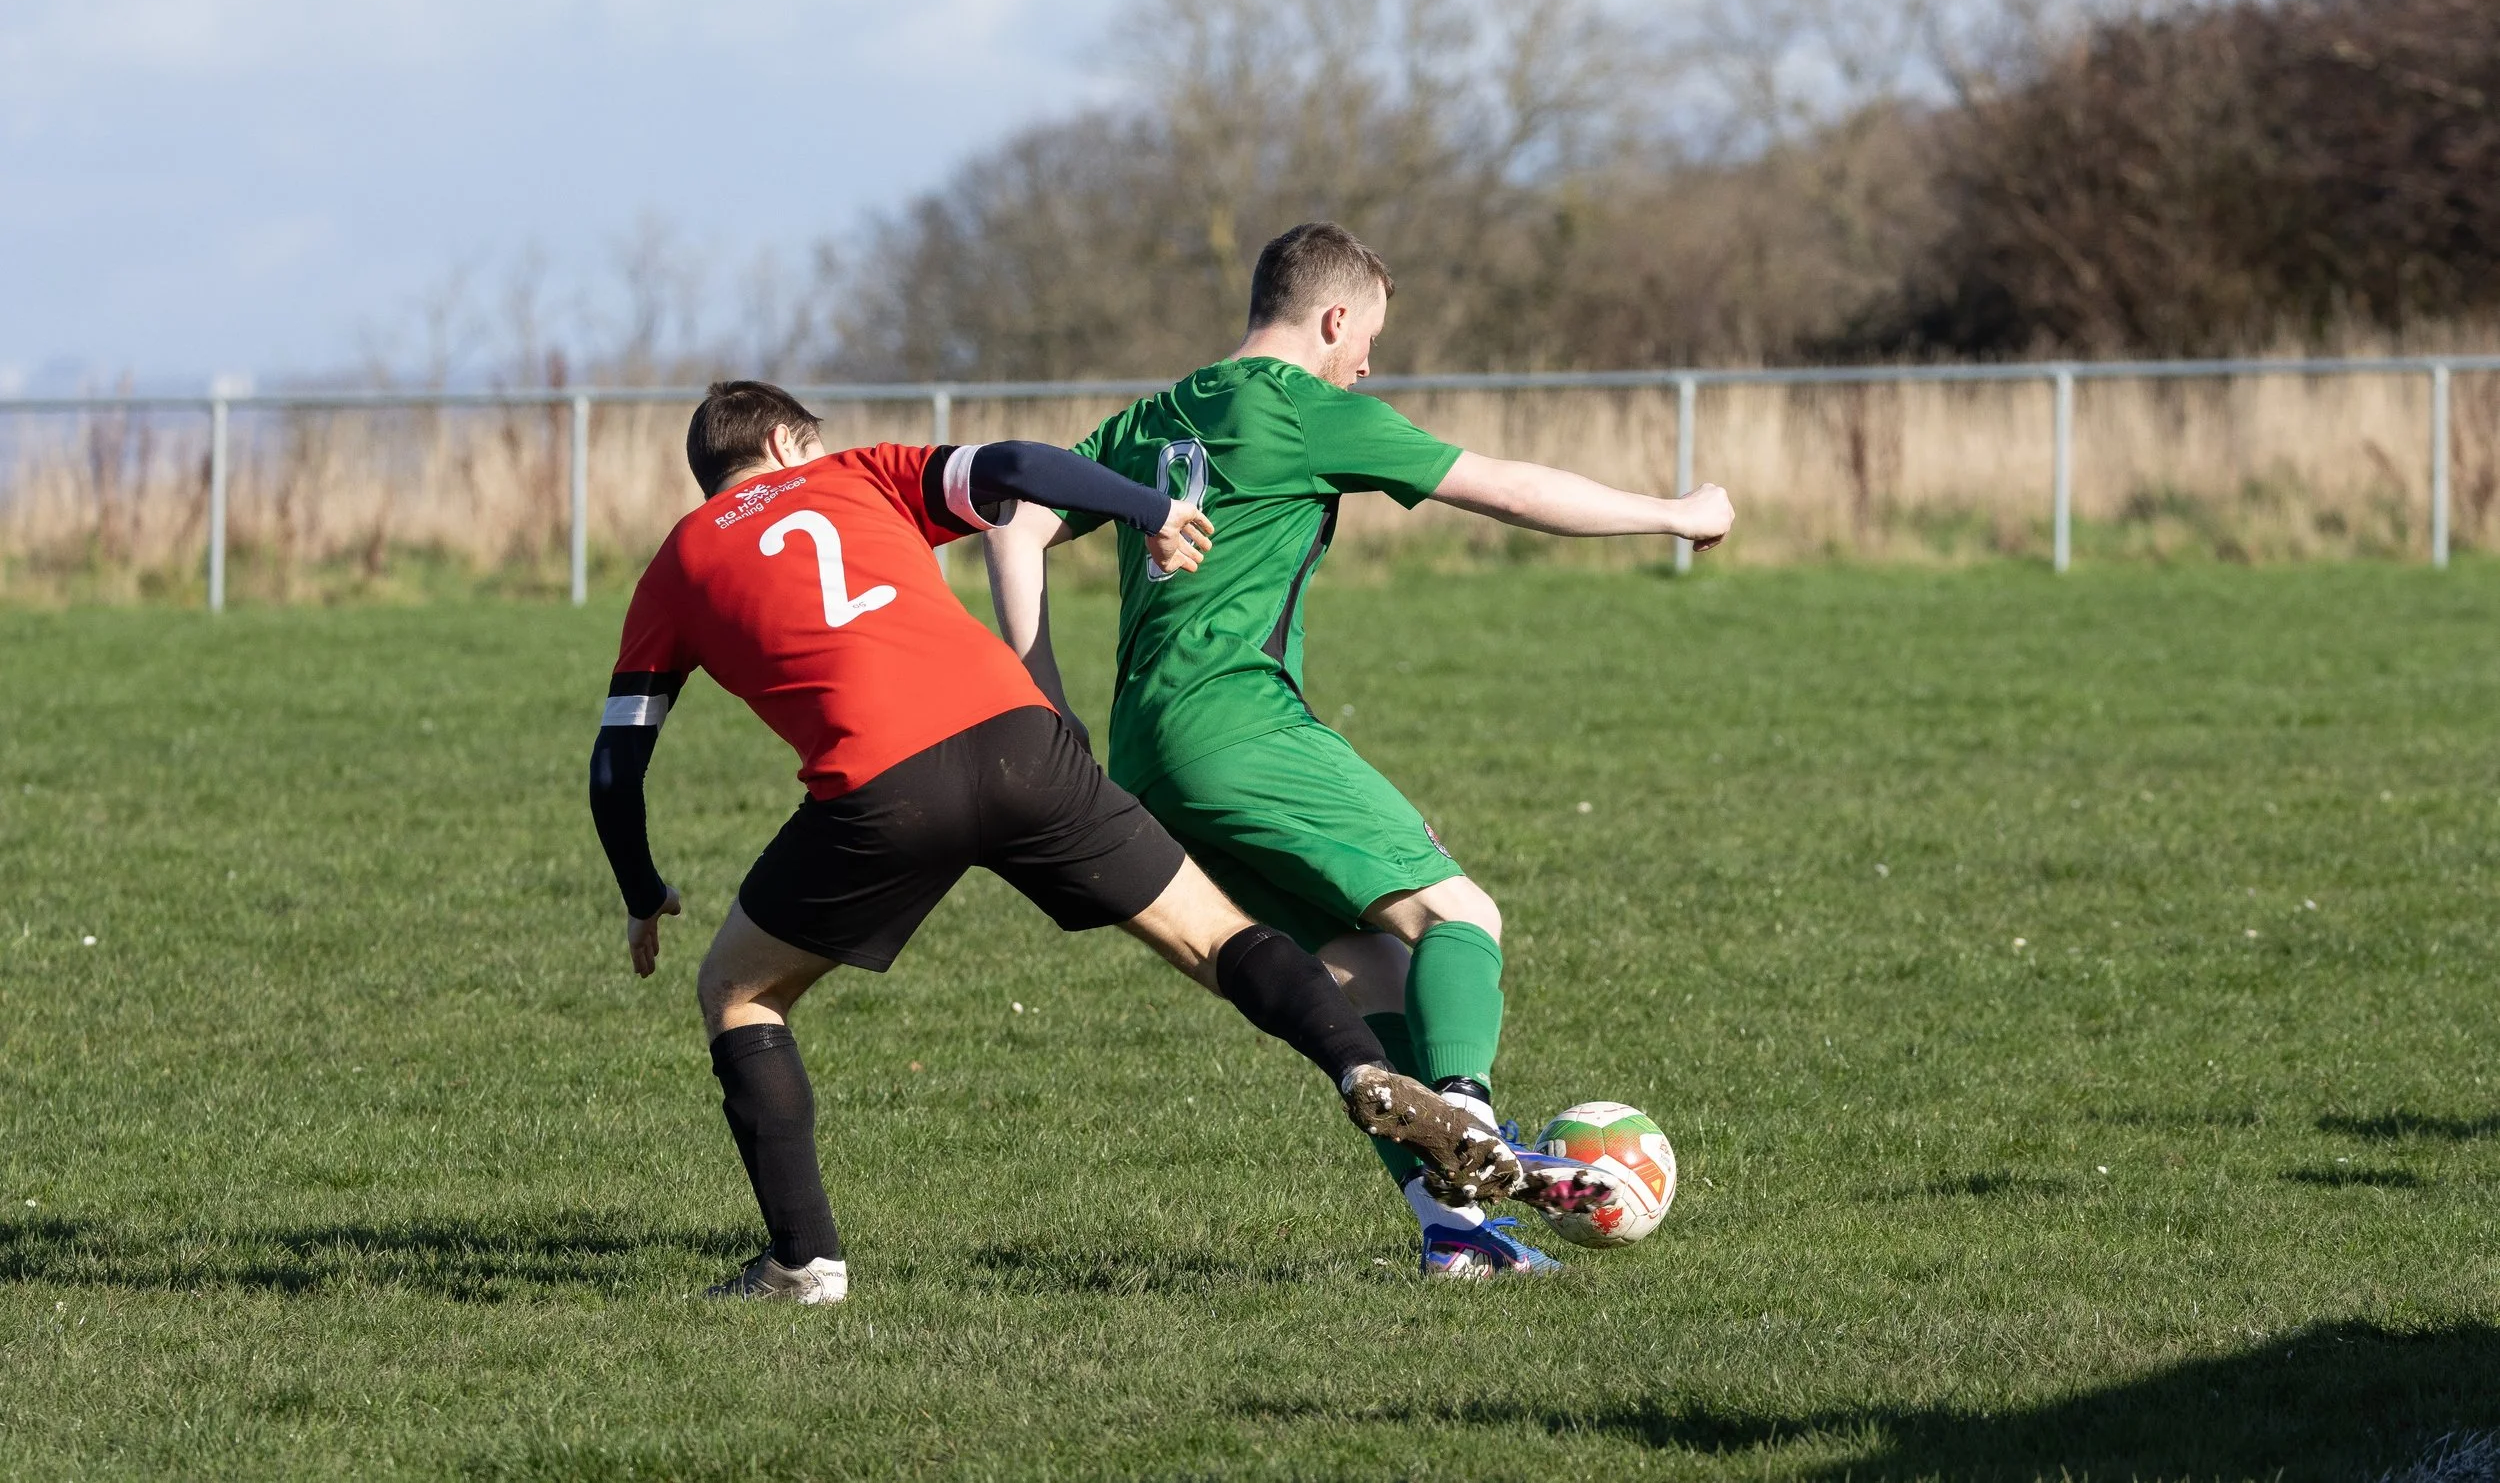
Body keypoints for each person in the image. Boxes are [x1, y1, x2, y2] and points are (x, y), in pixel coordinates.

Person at [588, 379, 1518, 1304]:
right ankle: (1362, 1067)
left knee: (739, 992)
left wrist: (641, 890)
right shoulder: (858, 474)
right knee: (1216, 936)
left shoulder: (677, 562)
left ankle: (802, 1265)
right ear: (792, 442)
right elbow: (1023, 467)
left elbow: (616, 764)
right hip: (1022, 740)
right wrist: (1151, 506)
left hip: (883, 791)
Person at [984, 223, 1735, 1278]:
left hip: (1148, 759)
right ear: (1333, 318)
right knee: (1461, 915)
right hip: (1240, 725)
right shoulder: (1304, 410)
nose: (1367, 365)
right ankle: (1469, 1126)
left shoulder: (1158, 415)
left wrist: (1043, 703)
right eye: (1366, 339)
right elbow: (1508, 489)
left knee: (1374, 973)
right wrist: (1676, 510)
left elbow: (1009, 516)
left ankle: (1456, 1235)